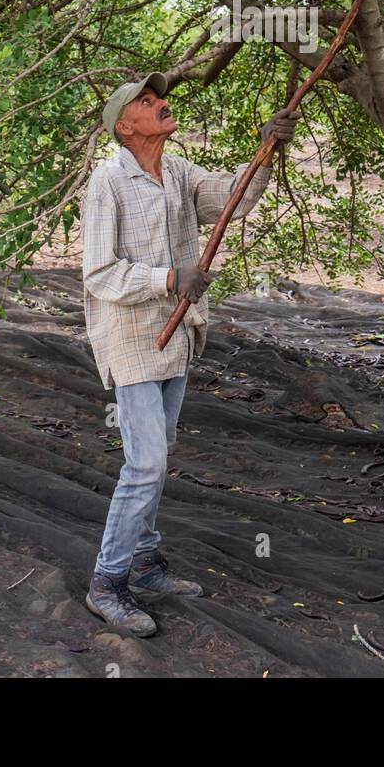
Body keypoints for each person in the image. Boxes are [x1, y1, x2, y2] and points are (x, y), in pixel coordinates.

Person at [81, 71, 299, 637]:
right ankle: (107, 583)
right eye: (147, 103)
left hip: (176, 333)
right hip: (130, 334)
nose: (161, 105)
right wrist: (170, 276)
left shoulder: (176, 170)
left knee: (159, 453)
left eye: (160, 97)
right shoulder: (107, 181)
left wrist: (267, 152)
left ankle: (147, 565)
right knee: (146, 461)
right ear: (125, 127)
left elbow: (232, 200)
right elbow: (100, 273)